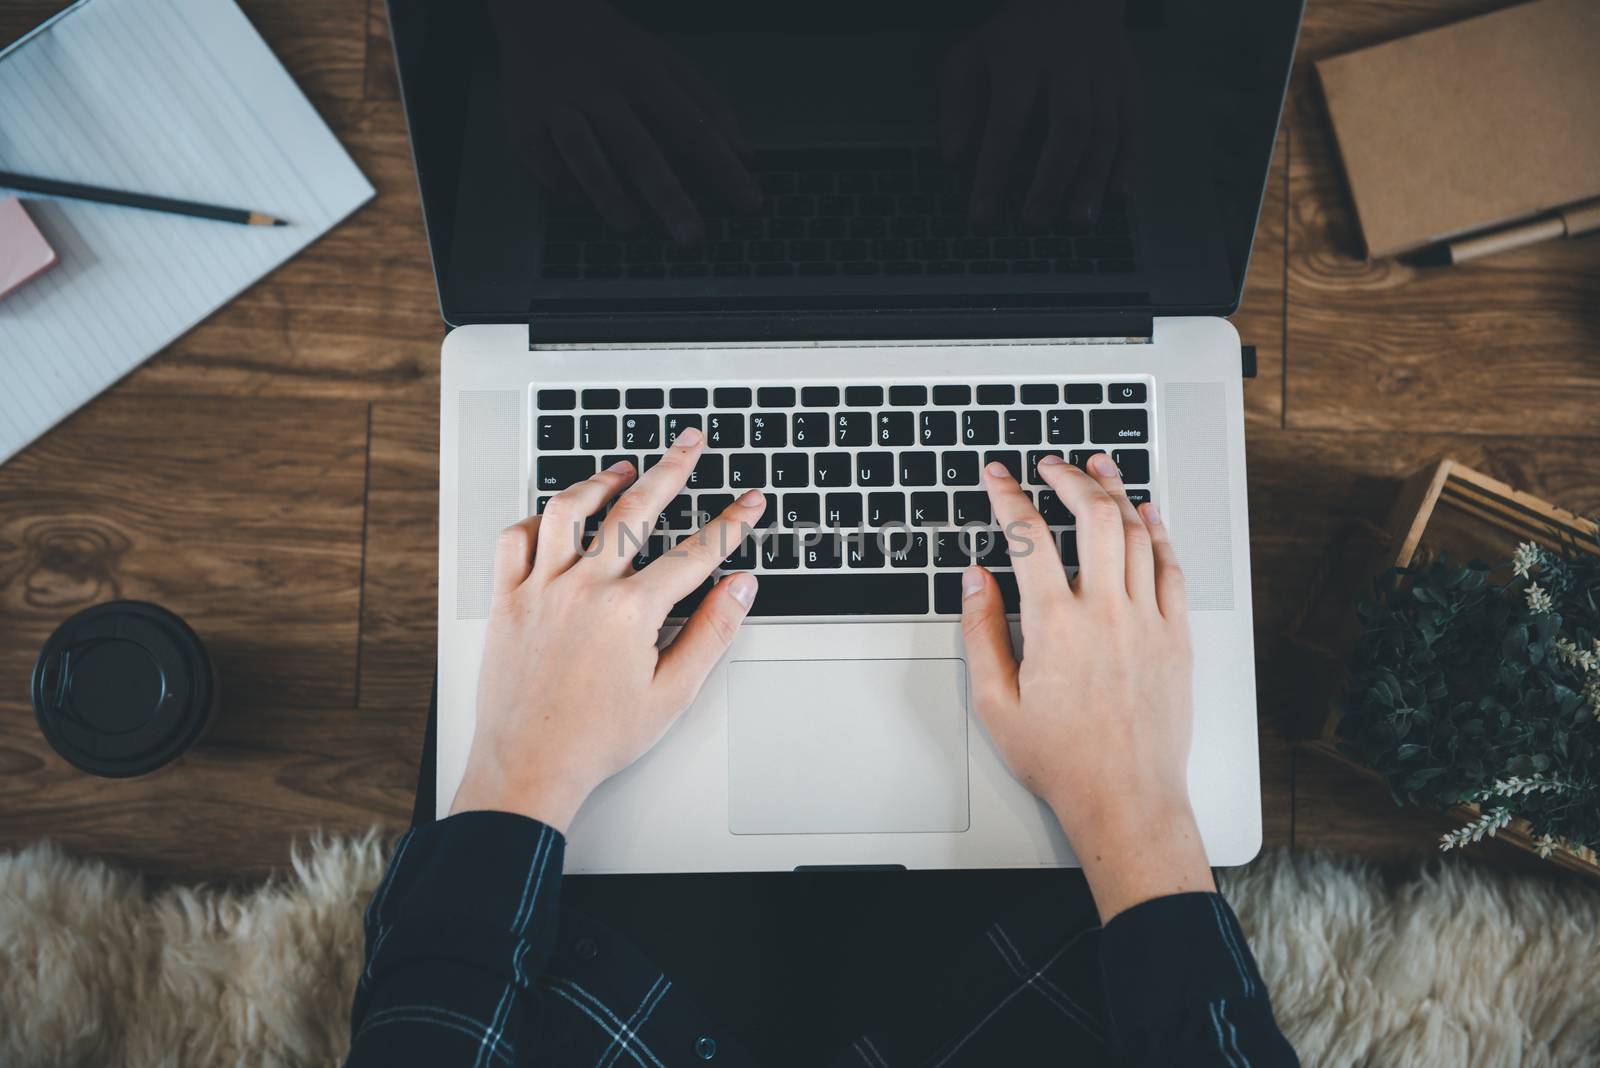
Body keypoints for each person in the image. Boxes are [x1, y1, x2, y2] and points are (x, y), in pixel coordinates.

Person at [344, 429, 1298, 1066]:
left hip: (610, 1003)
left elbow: (432, 1028)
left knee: (538, 628)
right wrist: (1132, 803)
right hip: (1032, 989)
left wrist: (521, 765)